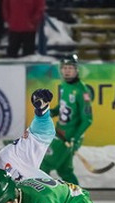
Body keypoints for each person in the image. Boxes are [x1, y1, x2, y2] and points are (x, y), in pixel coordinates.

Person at [40, 55, 92, 186]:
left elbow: (88, 120)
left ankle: (41, 196)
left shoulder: (82, 91)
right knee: (64, 170)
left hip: (69, 138)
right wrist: (52, 112)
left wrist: (74, 137)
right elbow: (63, 107)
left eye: (70, 68)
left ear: (76, 70)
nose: (67, 71)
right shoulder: (63, 86)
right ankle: (79, 199)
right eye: (65, 68)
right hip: (59, 133)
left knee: (44, 164)